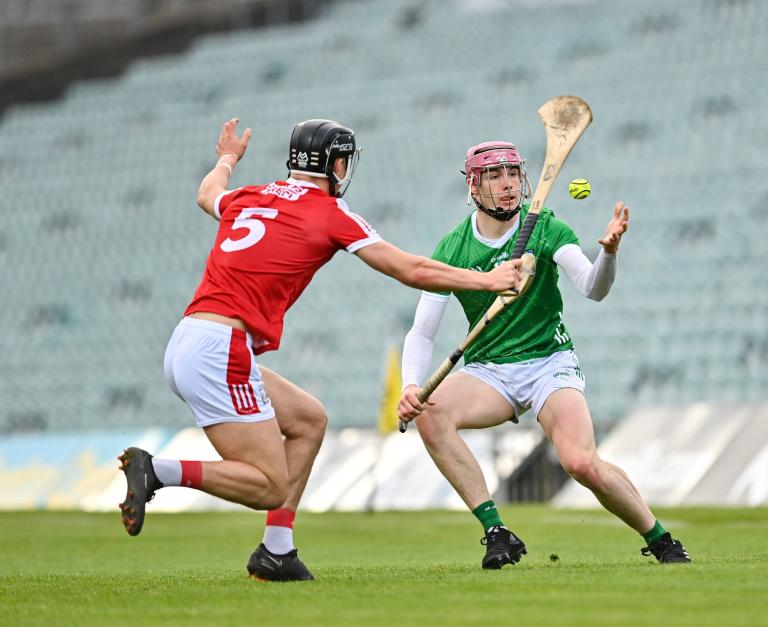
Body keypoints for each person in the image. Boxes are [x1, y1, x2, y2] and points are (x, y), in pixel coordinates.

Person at [116, 119, 523, 582]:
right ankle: (158, 471)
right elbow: (409, 269)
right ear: (337, 165)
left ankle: (277, 551)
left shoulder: (250, 196)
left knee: (309, 420)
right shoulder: (330, 212)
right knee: (270, 485)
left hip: (190, 338)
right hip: (220, 350)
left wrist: (228, 157)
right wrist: (487, 280)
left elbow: (207, 193)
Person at [397, 141, 691, 569]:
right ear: (473, 187)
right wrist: (410, 384)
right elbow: (423, 330)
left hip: (548, 362)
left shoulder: (547, 227)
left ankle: (660, 538)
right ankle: (496, 532)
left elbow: (593, 287)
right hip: (489, 370)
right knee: (430, 414)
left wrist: (608, 253)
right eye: (494, 176)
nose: (507, 184)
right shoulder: (453, 249)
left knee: (581, 462)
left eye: (513, 173)